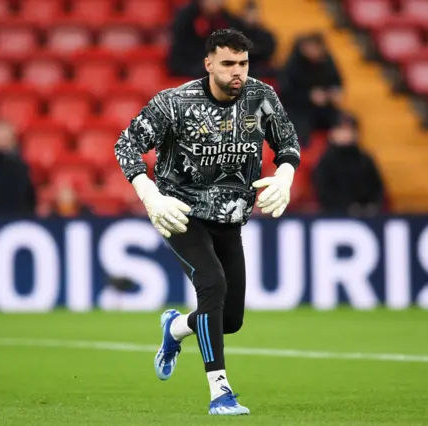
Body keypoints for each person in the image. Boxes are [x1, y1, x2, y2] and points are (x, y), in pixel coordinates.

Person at [114, 28, 300, 416]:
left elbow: (287, 143)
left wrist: (285, 175)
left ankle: (176, 327)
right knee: (212, 283)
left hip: (231, 217)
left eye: (243, 63)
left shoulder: (260, 97)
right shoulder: (174, 103)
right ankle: (221, 392)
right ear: (209, 63)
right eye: (229, 63)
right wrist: (149, 195)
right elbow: (126, 144)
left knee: (229, 319)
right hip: (180, 214)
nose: (238, 72)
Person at [312, 113, 384, 216]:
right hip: (335, 216)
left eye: (349, 130)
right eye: (342, 130)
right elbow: (323, 191)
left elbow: (377, 187)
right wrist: (344, 207)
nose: (346, 135)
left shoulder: (365, 159)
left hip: (366, 215)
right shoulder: (326, 161)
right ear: (332, 133)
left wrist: (371, 206)